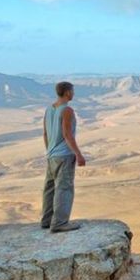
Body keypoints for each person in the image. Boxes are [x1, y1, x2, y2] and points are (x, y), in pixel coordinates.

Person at [40, 81, 86, 232]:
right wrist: (78, 154)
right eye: (72, 91)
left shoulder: (48, 110)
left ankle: (46, 221)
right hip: (64, 155)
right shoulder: (67, 110)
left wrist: (49, 151)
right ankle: (59, 223)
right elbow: (67, 135)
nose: (73, 94)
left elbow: (45, 134)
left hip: (51, 155)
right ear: (67, 92)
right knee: (64, 188)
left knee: (50, 188)